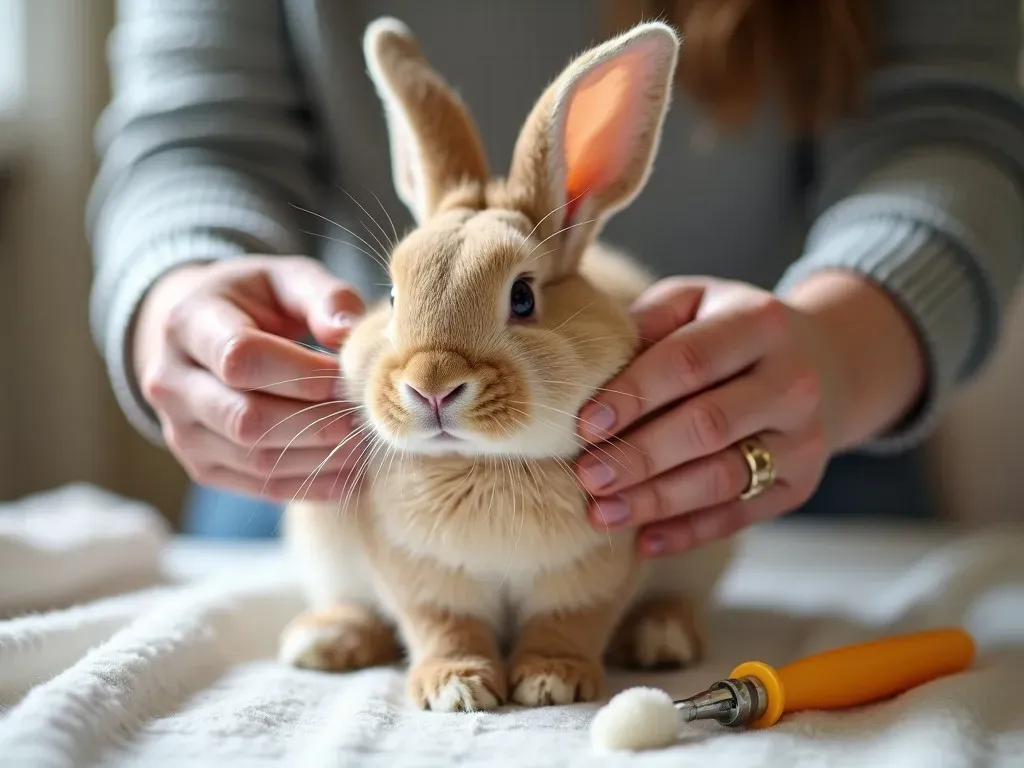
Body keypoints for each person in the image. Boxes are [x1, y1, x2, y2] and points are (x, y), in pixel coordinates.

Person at [88, 0, 1024, 550]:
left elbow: (948, 123)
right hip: (335, 449)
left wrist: (841, 350)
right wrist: (182, 294)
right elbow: (193, 134)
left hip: (764, 448)